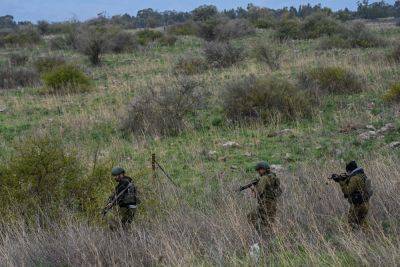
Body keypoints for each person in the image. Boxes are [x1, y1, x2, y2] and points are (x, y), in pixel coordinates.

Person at [330, 161, 373, 229]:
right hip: (365, 204)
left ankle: (350, 238)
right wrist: (344, 179)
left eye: (348, 172)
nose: (347, 173)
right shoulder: (363, 175)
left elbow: (347, 191)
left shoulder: (354, 178)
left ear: (350, 170)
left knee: (351, 224)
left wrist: (341, 182)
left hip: (357, 205)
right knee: (362, 223)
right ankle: (368, 237)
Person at [247, 161, 282, 232]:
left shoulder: (264, 178)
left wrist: (253, 189)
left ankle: (261, 234)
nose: (258, 172)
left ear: (262, 169)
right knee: (269, 222)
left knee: (252, 217)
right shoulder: (273, 176)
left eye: (259, 170)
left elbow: (258, 193)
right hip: (273, 203)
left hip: (265, 203)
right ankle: (267, 237)